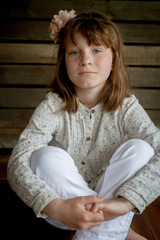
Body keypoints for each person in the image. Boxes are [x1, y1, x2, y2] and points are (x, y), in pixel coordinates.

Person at [7, 10, 160, 240]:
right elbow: (17, 161)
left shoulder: (126, 106)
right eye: (74, 51)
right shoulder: (53, 105)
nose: (85, 59)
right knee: (44, 156)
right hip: (64, 210)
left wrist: (126, 202)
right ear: (64, 61)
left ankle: (102, 229)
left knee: (142, 149)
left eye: (97, 50)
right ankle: (117, 230)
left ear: (113, 60)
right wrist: (55, 206)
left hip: (113, 204)